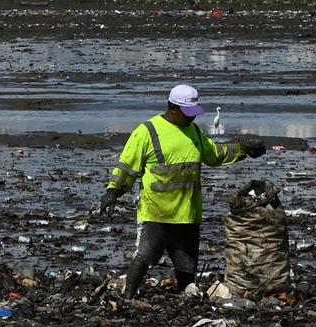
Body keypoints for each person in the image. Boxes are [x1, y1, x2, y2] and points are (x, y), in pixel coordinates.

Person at [94, 84, 264, 299]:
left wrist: (243, 149)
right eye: (187, 113)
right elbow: (127, 167)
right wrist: (113, 191)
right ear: (172, 108)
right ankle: (128, 296)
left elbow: (214, 154)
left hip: (188, 213)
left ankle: (187, 296)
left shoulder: (194, 132)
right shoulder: (148, 131)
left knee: (187, 264)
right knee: (145, 256)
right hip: (157, 213)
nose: (192, 118)